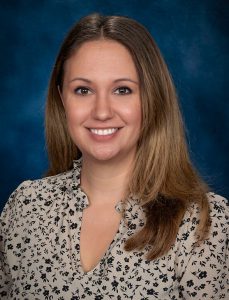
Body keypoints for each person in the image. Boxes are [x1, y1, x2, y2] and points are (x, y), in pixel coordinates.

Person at [0, 13, 228, 300]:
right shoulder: (25, 208)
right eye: (83, 90)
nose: (102, 111)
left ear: (151, 98)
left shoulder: (204, 222)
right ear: (61, 98)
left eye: (123, 90)